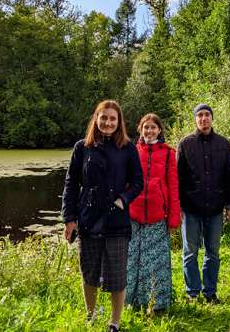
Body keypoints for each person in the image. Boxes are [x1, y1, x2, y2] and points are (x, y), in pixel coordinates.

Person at [62, 100, 143, 332]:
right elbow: (70, 184)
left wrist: (122, 201)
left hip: (116, 220)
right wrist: (69, 218)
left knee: (117, 275)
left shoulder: (127, 148)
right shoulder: (82, 147)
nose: (108, 122)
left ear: (119, 123)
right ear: (96, 119)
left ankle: (114, 323)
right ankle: (90, 315)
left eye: (113, 119)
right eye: (104, 117)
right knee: (89, 272)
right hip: (88, 219)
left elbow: (138, 182)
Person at [177, 103, 230, 303]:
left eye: (207, 115)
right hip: (190, 208)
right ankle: (192, 291)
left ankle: (210, 292)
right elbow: (178, 177)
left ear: (212, 118)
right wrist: (178, 206)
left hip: (215, 208)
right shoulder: (185, 144)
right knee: (190, 252)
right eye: (200, 115)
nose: (204, 119)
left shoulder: (222, 143)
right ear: (195, 119)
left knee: (213, 252)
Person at [126, 113, 180, 313]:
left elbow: (173, 187)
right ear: (140, 129)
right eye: (146, 127)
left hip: (158, 216)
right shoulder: (131, 151)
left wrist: (174, 217)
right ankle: (130, 301)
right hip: (133, 215)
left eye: (153, 127)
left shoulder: (168, 153)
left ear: (159, 130)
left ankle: (156, 303)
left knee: (156, 262)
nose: (149, 131)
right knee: (132, 260)